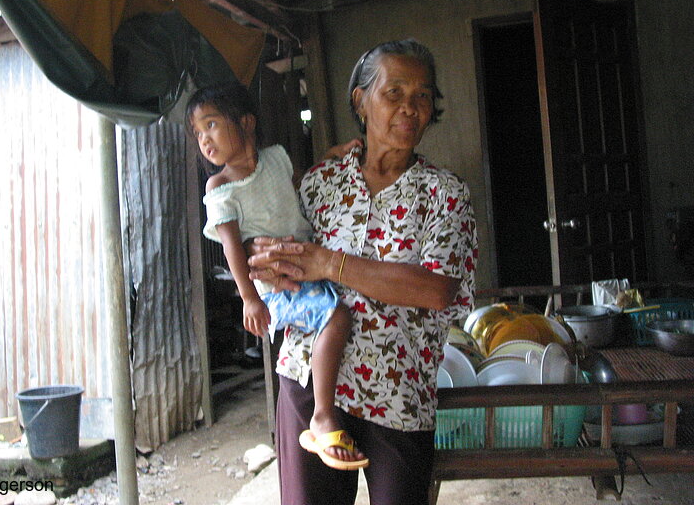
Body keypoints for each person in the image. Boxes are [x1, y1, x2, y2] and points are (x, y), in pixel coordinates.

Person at [247, 38, 478, 505]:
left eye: (422, 96)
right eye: (394, 93)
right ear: (361, 100)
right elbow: (274, 254)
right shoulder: (320, 183)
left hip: (398, 395)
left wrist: (329, 263)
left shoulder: (444, 193)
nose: (410, 108)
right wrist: (267, 260)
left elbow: (435, 291)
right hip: (311, 385)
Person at [185, 83, 369, 471]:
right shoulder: (219, 187)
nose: (204, 139)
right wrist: (249, 297)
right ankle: (322, 415)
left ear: (247, 123)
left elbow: (302, 185)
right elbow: (232, 247)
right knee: (337, 318)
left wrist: (330, 159)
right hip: (277, 286)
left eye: (212, 125)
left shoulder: (276, 159)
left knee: (342, 315)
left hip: (308, 268)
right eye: (198, 133)